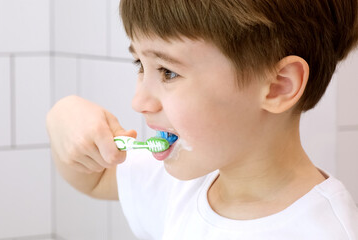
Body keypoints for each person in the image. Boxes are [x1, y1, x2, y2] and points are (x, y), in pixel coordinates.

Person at [46, 0, 358, 239]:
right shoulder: (182, 183)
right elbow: (95, 178)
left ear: (278, 86)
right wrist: (63, 116)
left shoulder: (325, 231)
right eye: (140, 64)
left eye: (168, 72)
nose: (138, 101)